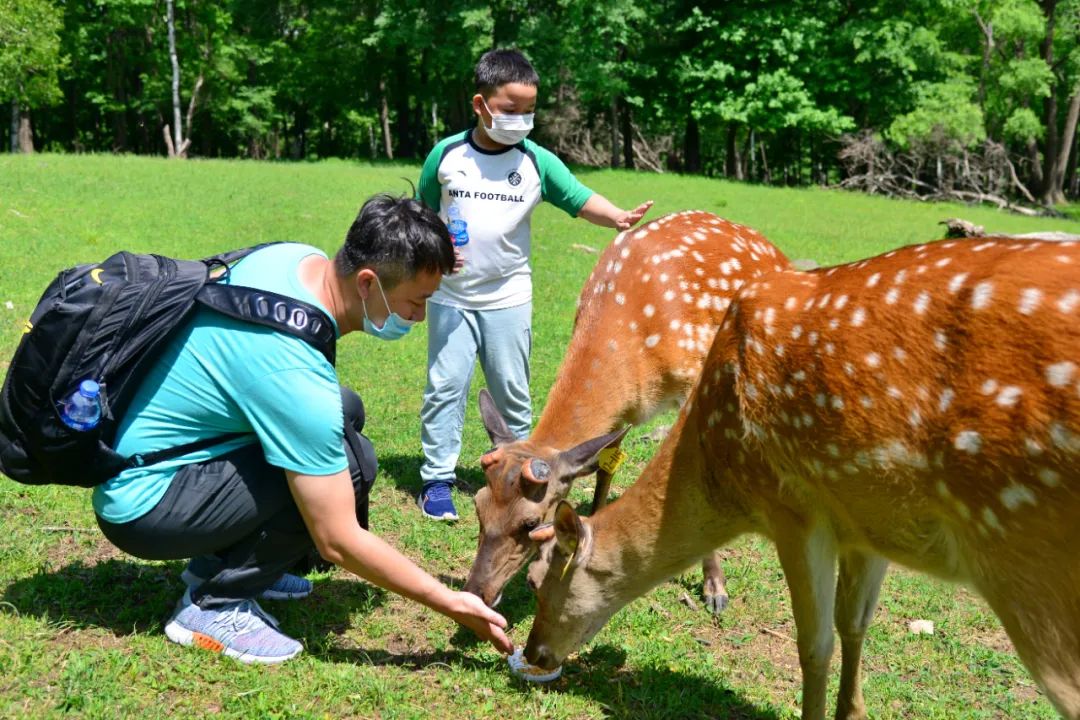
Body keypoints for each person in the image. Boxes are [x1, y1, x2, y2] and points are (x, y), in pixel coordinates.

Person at [92, 194, 513, 664]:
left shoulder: (295, 259)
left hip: (150, 453)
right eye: (416, 301)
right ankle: (214, 604)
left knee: (344, 410)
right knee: (352, 465)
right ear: (368, 282)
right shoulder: (293, 378)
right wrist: (452, 601)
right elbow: (337, 538)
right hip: (145, 503)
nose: (419, 317)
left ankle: (229, 563)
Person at [415, 48, 653, 521]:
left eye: (529, 111)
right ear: (481, 105)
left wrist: (619, 218)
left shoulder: (536, 162)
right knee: (445, 386)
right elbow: (420, 214)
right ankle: (436, 479)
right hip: (451, 295)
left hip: (508, 297)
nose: (521, 120)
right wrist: (433, 247)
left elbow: (580, 199)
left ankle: (529, 468)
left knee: (512, 391)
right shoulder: (446, 155)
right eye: (510, 110)